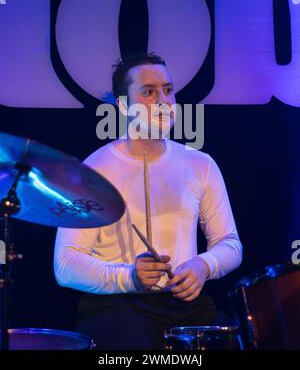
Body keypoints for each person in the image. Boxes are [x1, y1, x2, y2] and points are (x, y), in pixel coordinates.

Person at [54, 53, 242, 350]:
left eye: (168, 90)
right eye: (148, 92)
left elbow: (230, 243)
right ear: (123, 105)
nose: (164, 101)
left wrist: (203, 266)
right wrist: (129, 277)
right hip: (116, 307)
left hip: (184, 306)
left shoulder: (201, 164)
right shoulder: (92, 171)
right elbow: (65, 265)